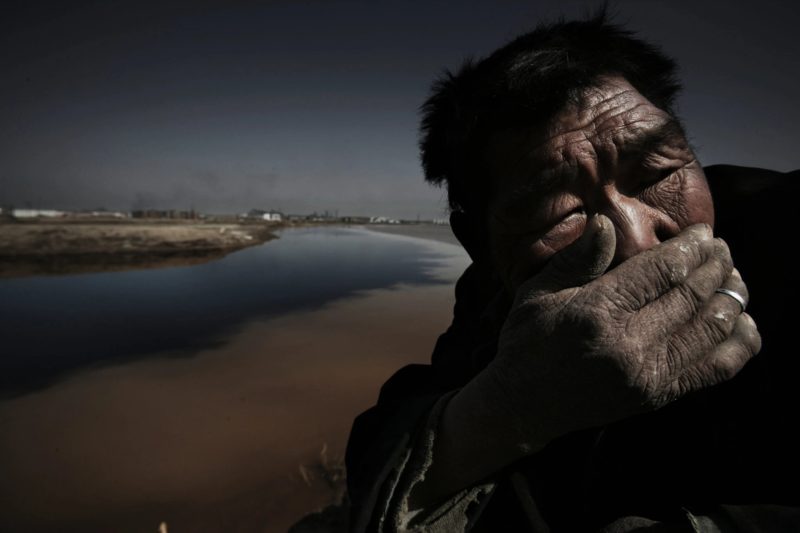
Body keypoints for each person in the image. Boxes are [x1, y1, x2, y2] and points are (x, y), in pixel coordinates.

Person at [345, 13, 800, 533]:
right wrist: (516, 405)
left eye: (658, 172)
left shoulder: (784, 220)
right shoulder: (497, 298)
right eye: (560, 214)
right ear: (481, 245)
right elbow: (386, 445)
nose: (636, 239)